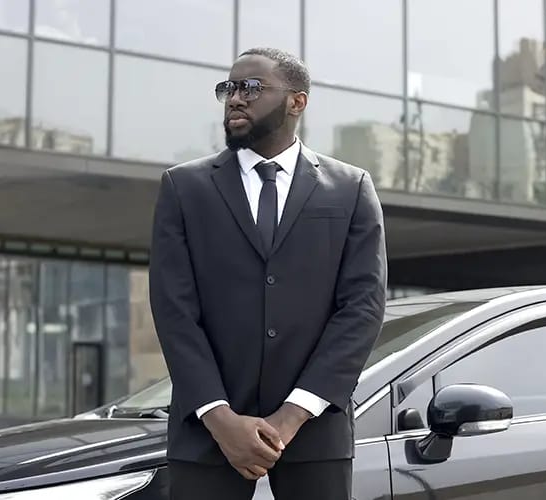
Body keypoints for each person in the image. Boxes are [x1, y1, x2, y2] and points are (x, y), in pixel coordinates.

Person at [148, 47, 387, 500]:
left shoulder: (351, 188)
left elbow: (363, 309)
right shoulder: (184, 187)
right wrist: (219, 417)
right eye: (229, 88)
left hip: (315, 434)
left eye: (251, 88)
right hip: (205, 433)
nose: (235, 98)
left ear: (297, 101)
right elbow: (173, 309)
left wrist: (292, 415)